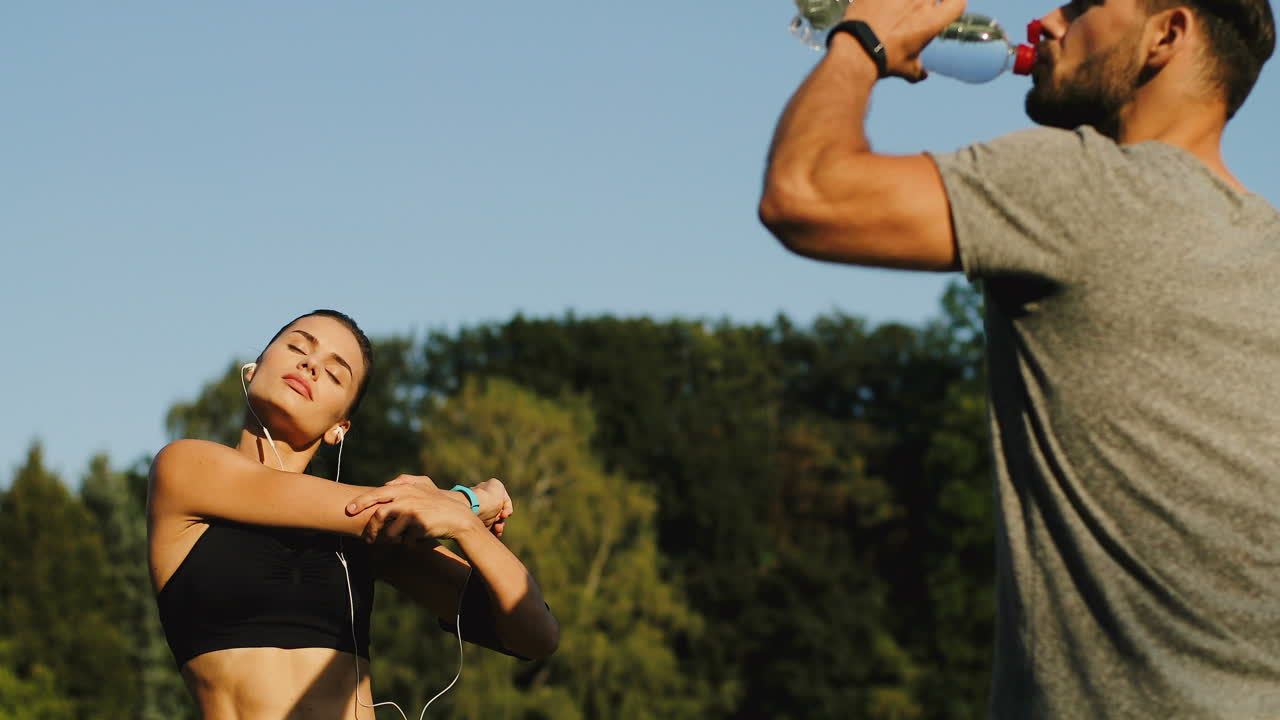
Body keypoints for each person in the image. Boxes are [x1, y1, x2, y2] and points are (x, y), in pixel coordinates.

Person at [760, 0, 1278, 716]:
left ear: (1167, 34)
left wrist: (861, 41)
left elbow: (806, 191)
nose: (1047, 22)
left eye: (1086, 5)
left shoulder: (1089, 186)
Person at [147, 309, 559, 719]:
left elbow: (535, 634)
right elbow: (366, 507)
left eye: (334, 373)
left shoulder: (369, 534)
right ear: (253, 371)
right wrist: (471, 500)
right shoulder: (185, 467)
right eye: (297, 347)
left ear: (339, 428)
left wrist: (468, 525)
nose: (310, 365)